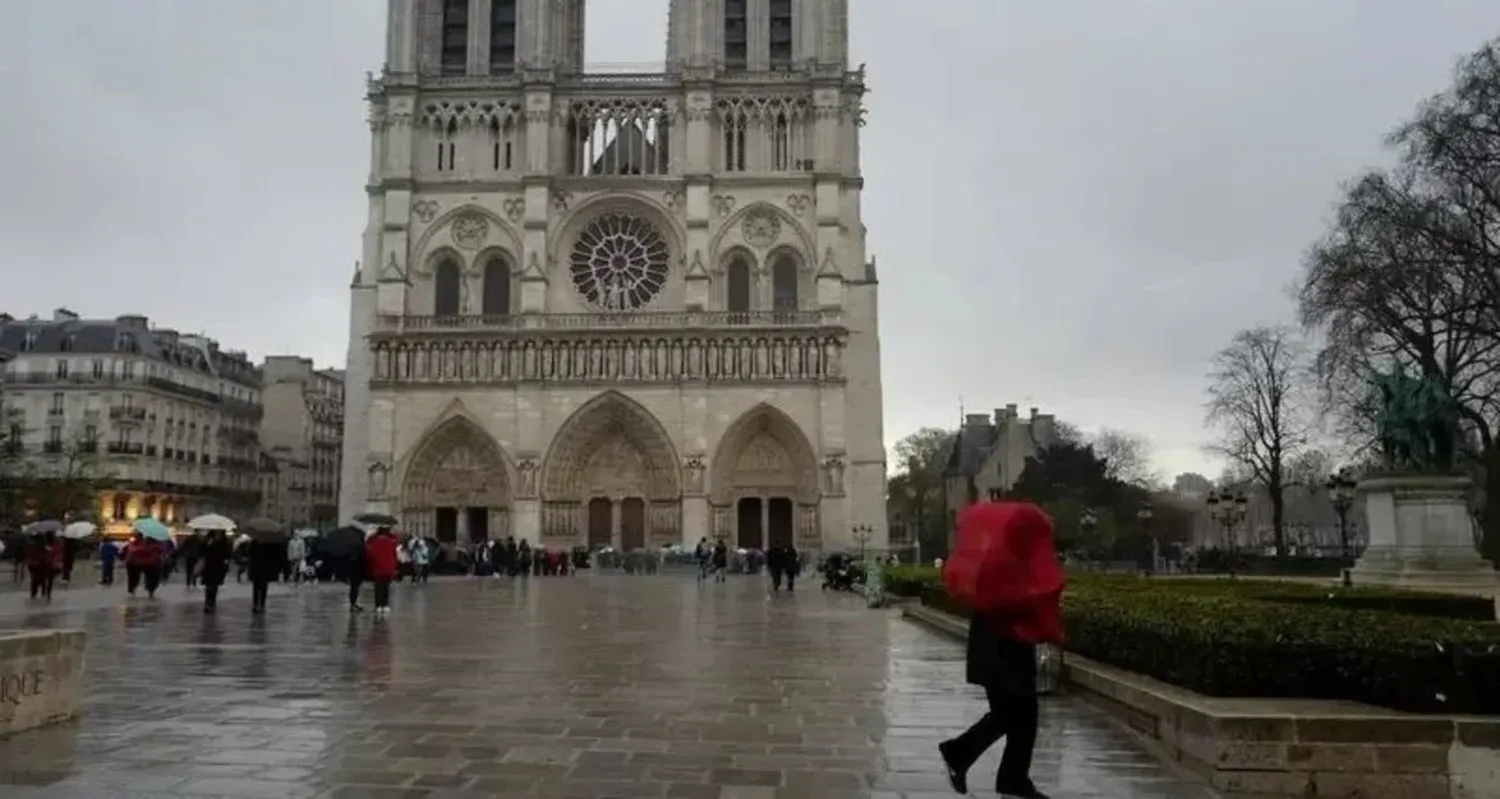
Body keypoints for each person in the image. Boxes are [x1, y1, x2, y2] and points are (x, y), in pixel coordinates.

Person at [937, 503, 1062, 799]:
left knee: (1017, 713)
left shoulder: (1000, 559)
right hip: (1006, 644)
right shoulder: (1010, 564)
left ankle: (1009, 778)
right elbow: (1021, 601)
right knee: (1017, 711)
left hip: (994, 643)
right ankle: (964, 754)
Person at [364, 526, 400, 617]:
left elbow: (370, 555)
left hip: (377, 567)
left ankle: (378, 605)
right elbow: (395, 555)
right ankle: (385, 605)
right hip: (388, 568)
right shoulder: (392, 542)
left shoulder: (374, 543)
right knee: (386, 587)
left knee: (378, 587)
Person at [246, 537, 285, 615]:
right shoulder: (270, 543)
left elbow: (249, 552)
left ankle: (256, 604)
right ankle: (261, 604)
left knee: (256, 587)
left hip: (257, 567)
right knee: (263, 587)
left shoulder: (254, 542)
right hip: (264, 568)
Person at [199, 530, 232, 613]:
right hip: (208, 566)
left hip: (218, 567)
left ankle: (211, 602)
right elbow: (202, 552)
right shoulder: (208, 540)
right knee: (208, 585)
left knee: (214, 585)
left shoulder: (224, 542)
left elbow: (227, 554)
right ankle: (207, 602)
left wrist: (226, 561)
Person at [124, 533, 165, 598]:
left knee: (133, 577)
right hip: (150, 563)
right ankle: (150, 590)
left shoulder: (133, 543)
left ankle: (132, 589)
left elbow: (126, 551)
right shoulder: (155, 545)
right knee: (152, 576)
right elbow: (161, 552)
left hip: (134, 562)